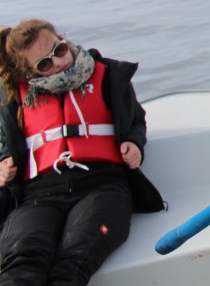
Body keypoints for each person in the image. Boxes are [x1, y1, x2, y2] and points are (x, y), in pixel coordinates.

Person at [0, 19, 163, 285]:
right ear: (28, 70)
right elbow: (6, 146)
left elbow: (135, 121)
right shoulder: (13, 97)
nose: (58, 62)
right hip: (39, 196)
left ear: (62, 38)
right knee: (22, 259)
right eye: (44, 64)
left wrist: (134, 144)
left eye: (59, 49)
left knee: (73, 261)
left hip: (102, 186)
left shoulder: (109, 74)